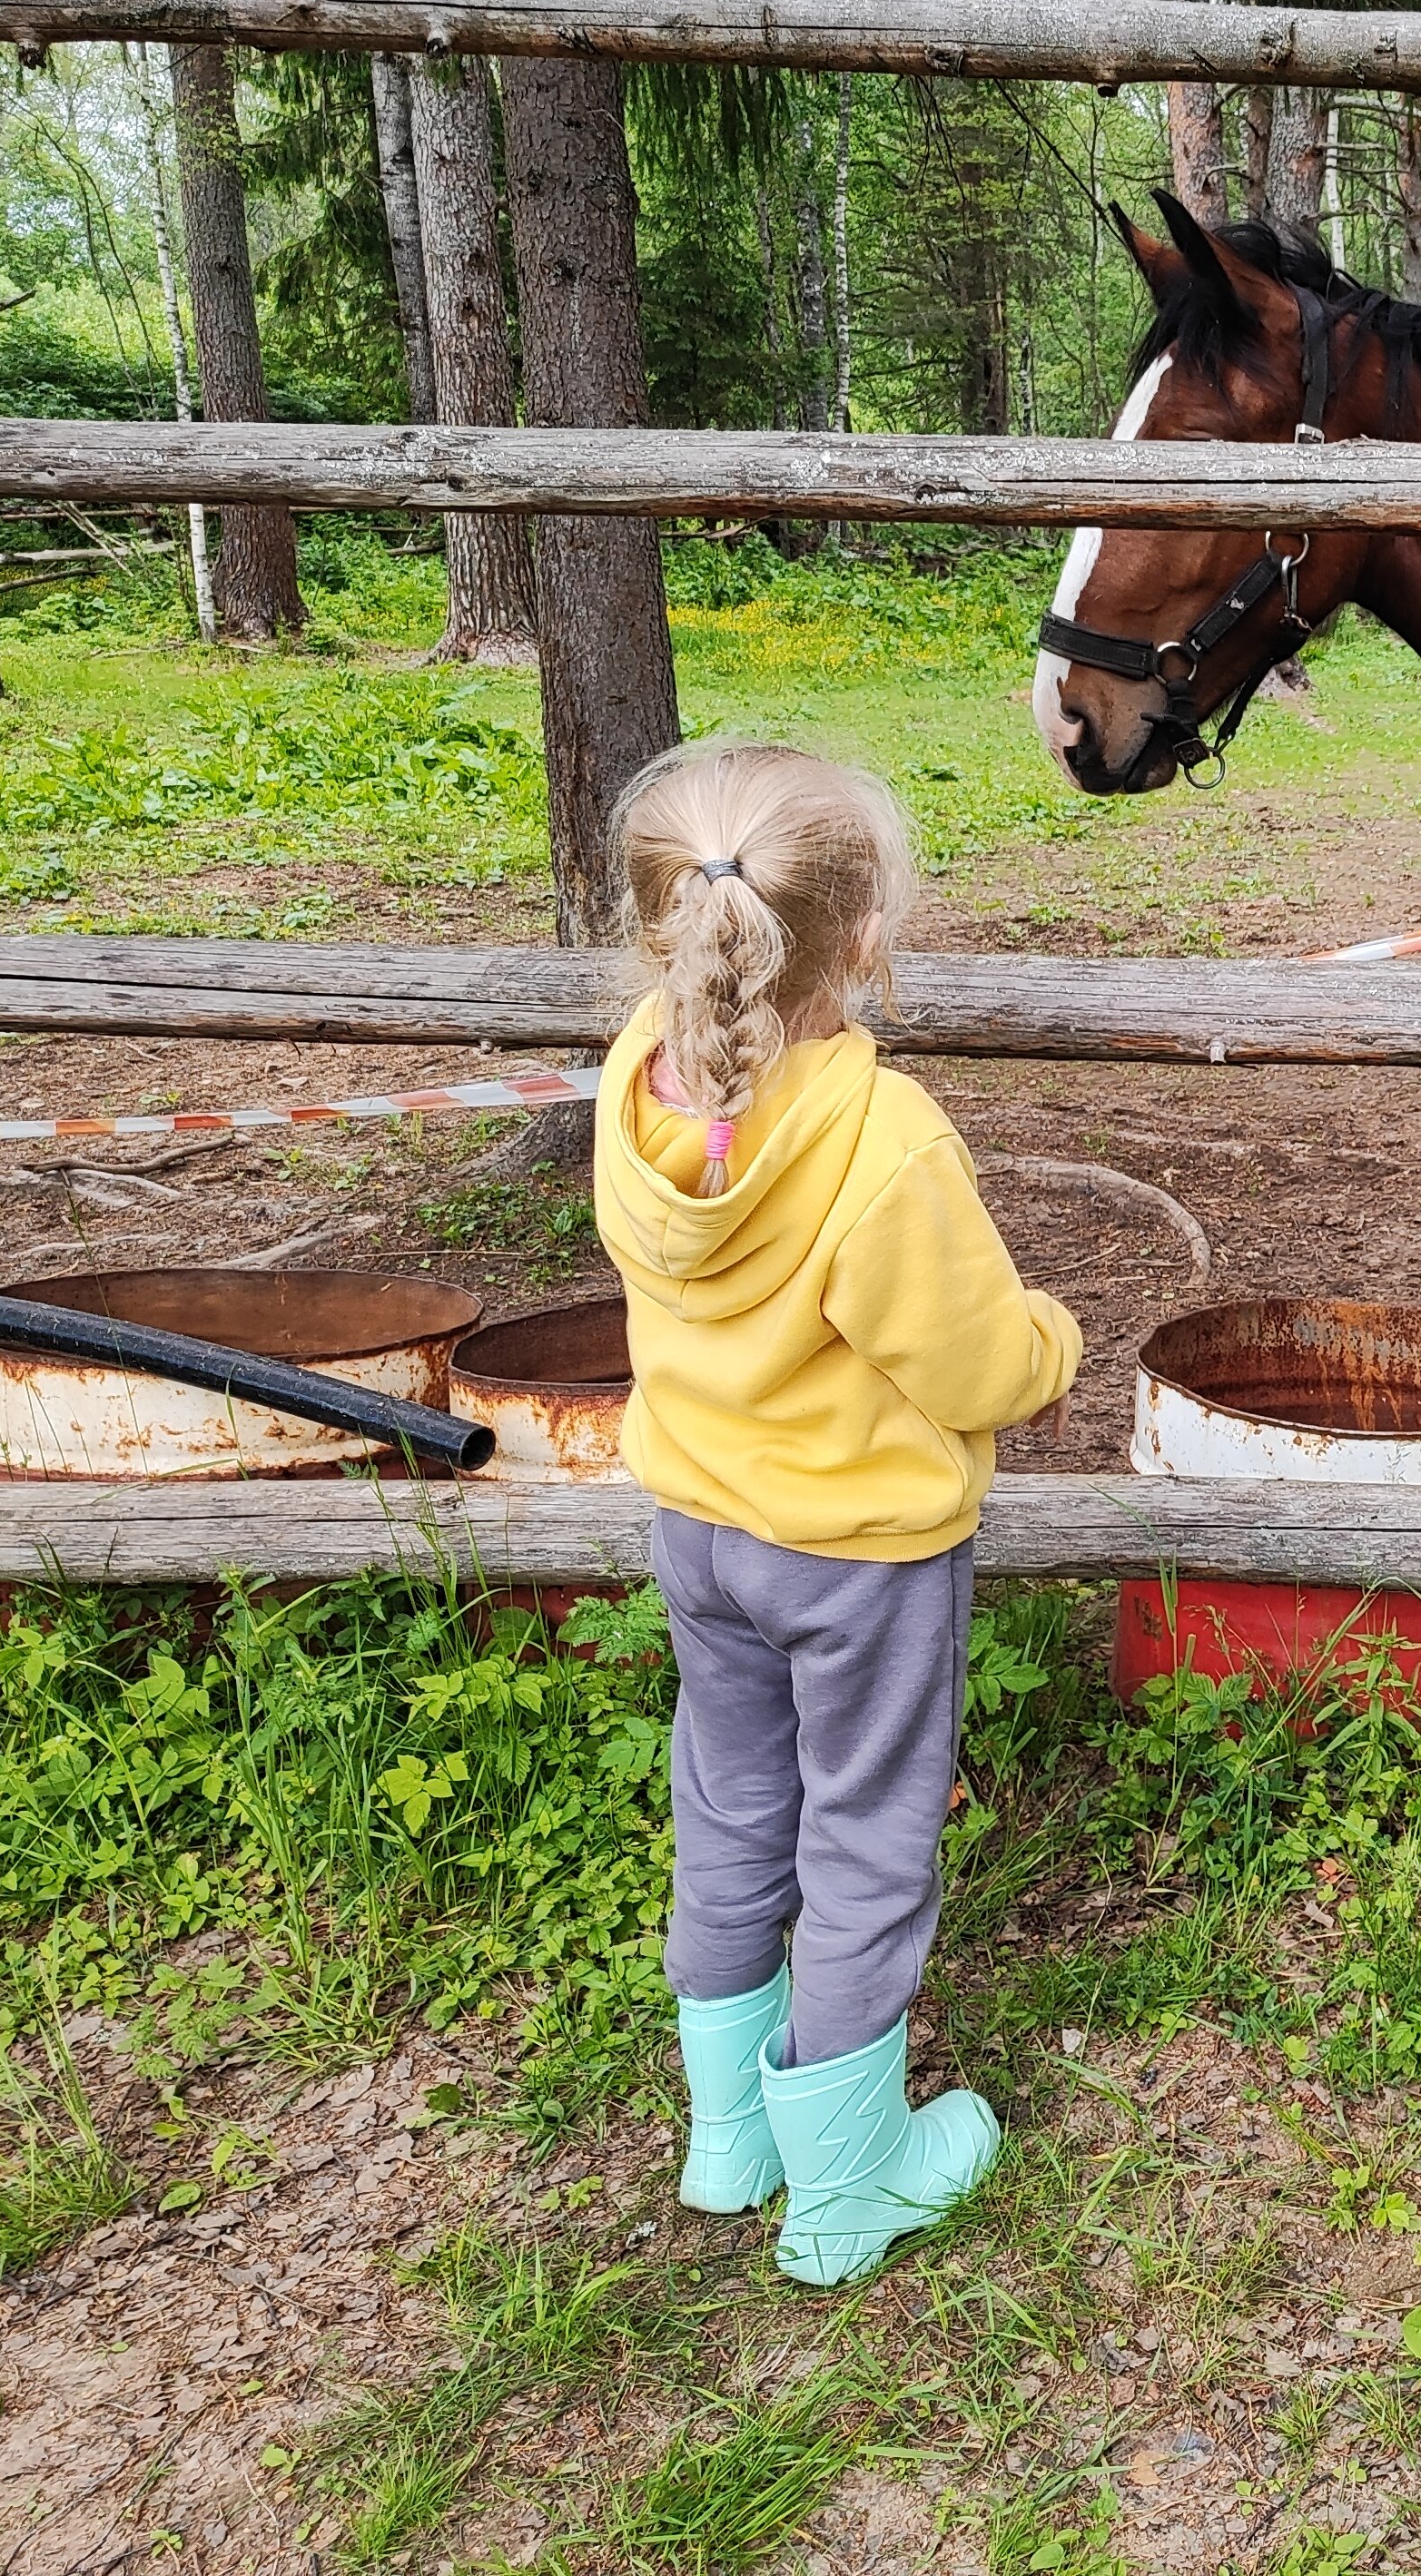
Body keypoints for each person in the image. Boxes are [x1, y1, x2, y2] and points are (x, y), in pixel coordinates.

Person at [593, 742, 1083, 2286]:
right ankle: (852, 2182)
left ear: (660, 932)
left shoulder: (633, 1087)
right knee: (867, 1842)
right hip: (859, 1558)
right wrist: (1052, 1347)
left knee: (734, 1814)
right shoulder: (883, 1145)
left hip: (702, 1533)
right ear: (865, 937)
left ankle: (732, 2133)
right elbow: (971, 1359)